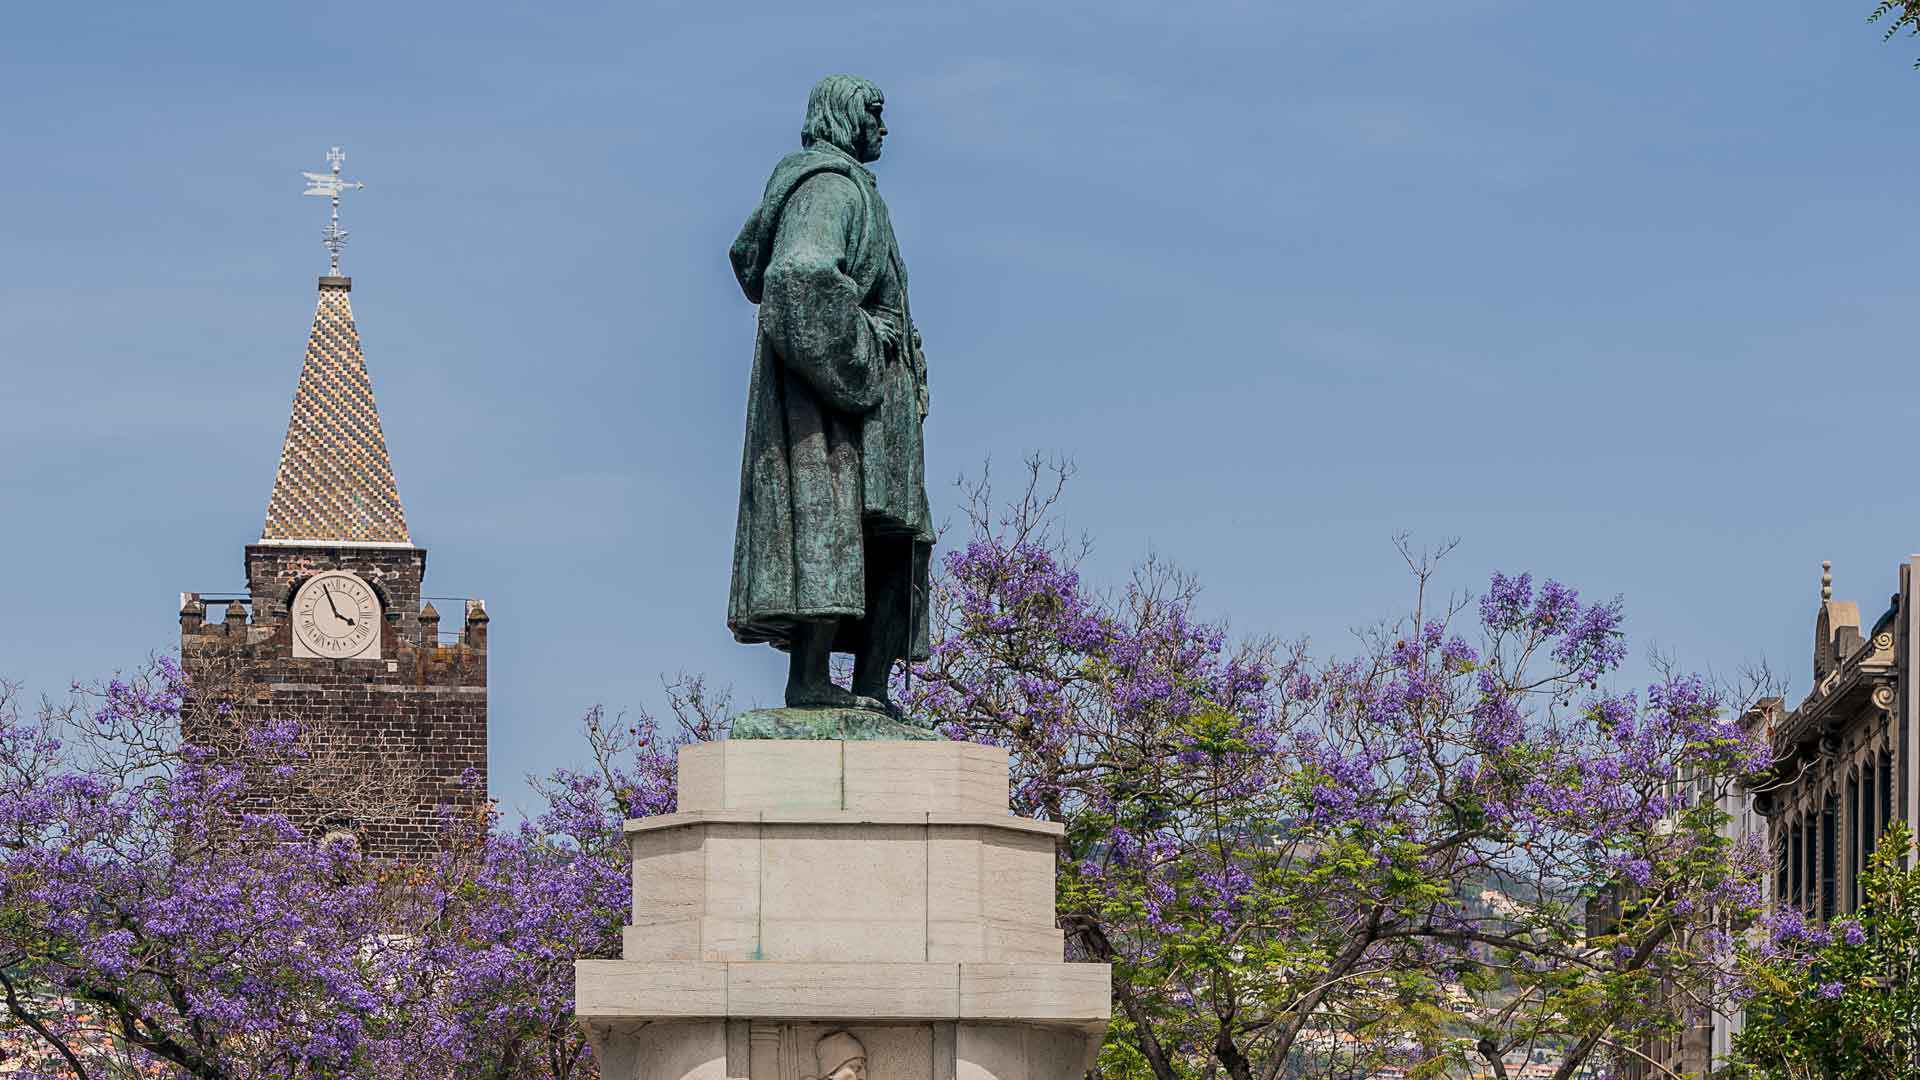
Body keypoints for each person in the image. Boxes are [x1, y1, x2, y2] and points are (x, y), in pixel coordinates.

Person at [727, 74, 932, 715]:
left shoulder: (852, 188)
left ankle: (871, 688)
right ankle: (810, 682)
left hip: (876, 417)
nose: (885, 128)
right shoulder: (828, 188)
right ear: (846, 116)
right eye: (876, 113)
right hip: (839, 410)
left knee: (892, 539)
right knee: (831, 525)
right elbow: (797, 276)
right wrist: (865, 351)